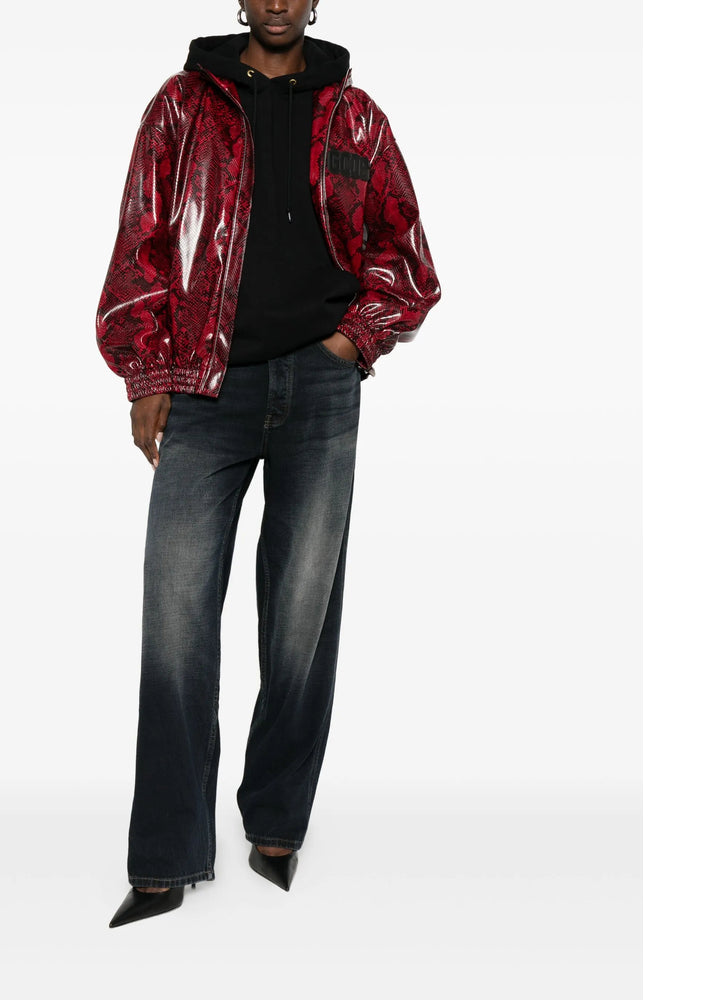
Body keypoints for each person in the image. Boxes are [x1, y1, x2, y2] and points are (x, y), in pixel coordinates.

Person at [96, 1, 441, 928]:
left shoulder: (356, 117)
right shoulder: (182, 105)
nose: (279, 1)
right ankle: (165, 856)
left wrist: (352, 340)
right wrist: (147, 375)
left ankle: (277, 823)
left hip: (320, 389)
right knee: (176, 619)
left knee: (301, 620)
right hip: (204, 390)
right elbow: (141, 243)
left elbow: (407, 256)